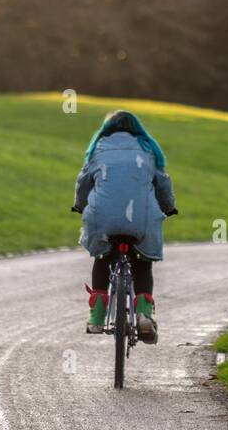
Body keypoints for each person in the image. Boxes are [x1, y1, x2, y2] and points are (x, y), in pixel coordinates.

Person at [72, 111, 176, 344]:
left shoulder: (98, 149)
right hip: (140, 219)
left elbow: (83, 183)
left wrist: (79, 205)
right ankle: (144, 315)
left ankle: (97, 317)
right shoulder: (148, 150)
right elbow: (163, 184)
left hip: (103, 219)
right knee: (142, 265)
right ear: (137, 129)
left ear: (106, 129)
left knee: (102, 257)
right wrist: (169, 207)